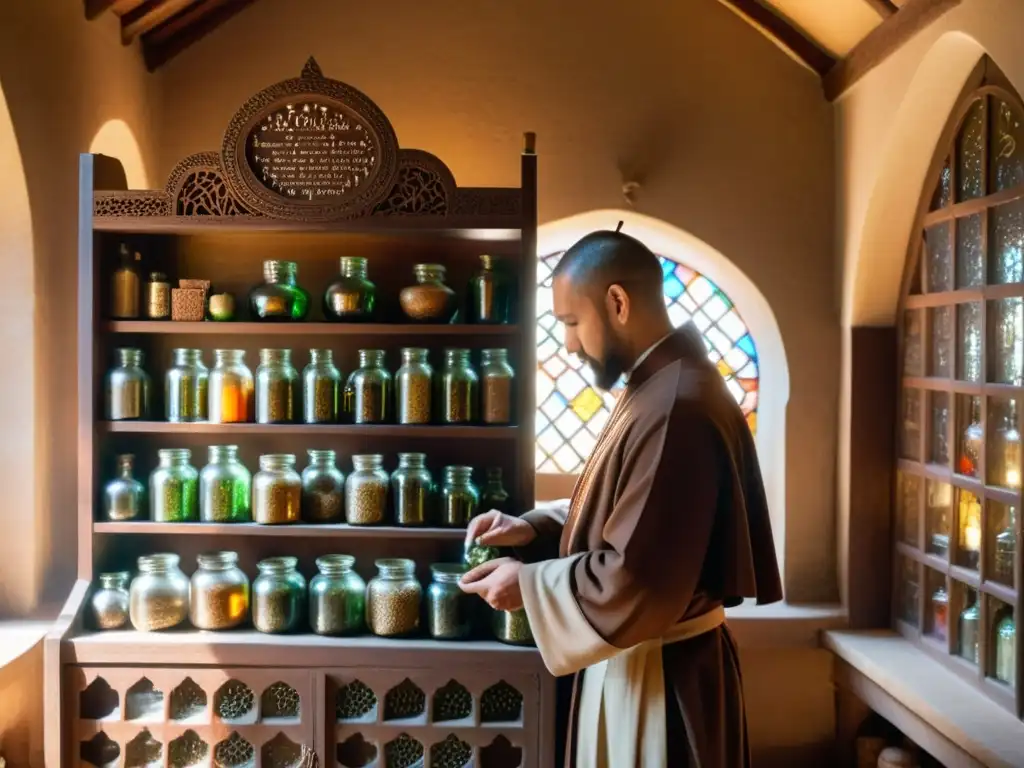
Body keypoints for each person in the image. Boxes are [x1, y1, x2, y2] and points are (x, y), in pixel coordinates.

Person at [459, 225, 782, 767]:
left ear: (617, 302)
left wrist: (529, 585)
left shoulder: (677, 406)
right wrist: (535, 527)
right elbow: (637, 513)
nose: (567, 343)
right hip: (646, 663)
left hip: (660, 684)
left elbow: (637, 578)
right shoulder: (660, 386)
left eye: (571, 322)